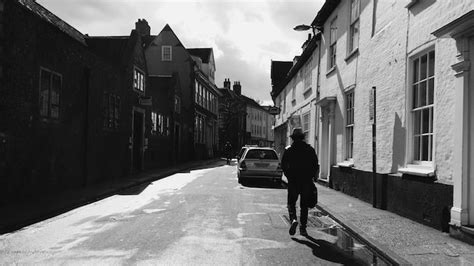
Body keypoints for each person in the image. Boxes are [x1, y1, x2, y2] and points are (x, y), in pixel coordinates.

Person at [281, 127, 319, 236]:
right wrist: (311, 177)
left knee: (291, 203)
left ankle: (293, 219)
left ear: (293, 138)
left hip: (293, 181)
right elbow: (315, 165)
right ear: (302, 137)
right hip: (306, 181)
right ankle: (303, 228)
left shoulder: (289, 150)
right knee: (304, 206)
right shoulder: (310, 149)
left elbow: (284, 165)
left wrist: (288, 176)